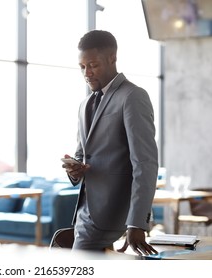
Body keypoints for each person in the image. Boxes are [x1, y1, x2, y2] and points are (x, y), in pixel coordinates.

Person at [62, 30, 158, 256]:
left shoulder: (132, 96)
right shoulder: (85, 104)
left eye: (93, 65)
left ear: (112, 58)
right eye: (82, 67)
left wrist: (137, 223)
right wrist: (75, 170)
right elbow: (83, 155)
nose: (87, 73)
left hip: (115, 215)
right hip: (85, 214)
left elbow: (145, 163)